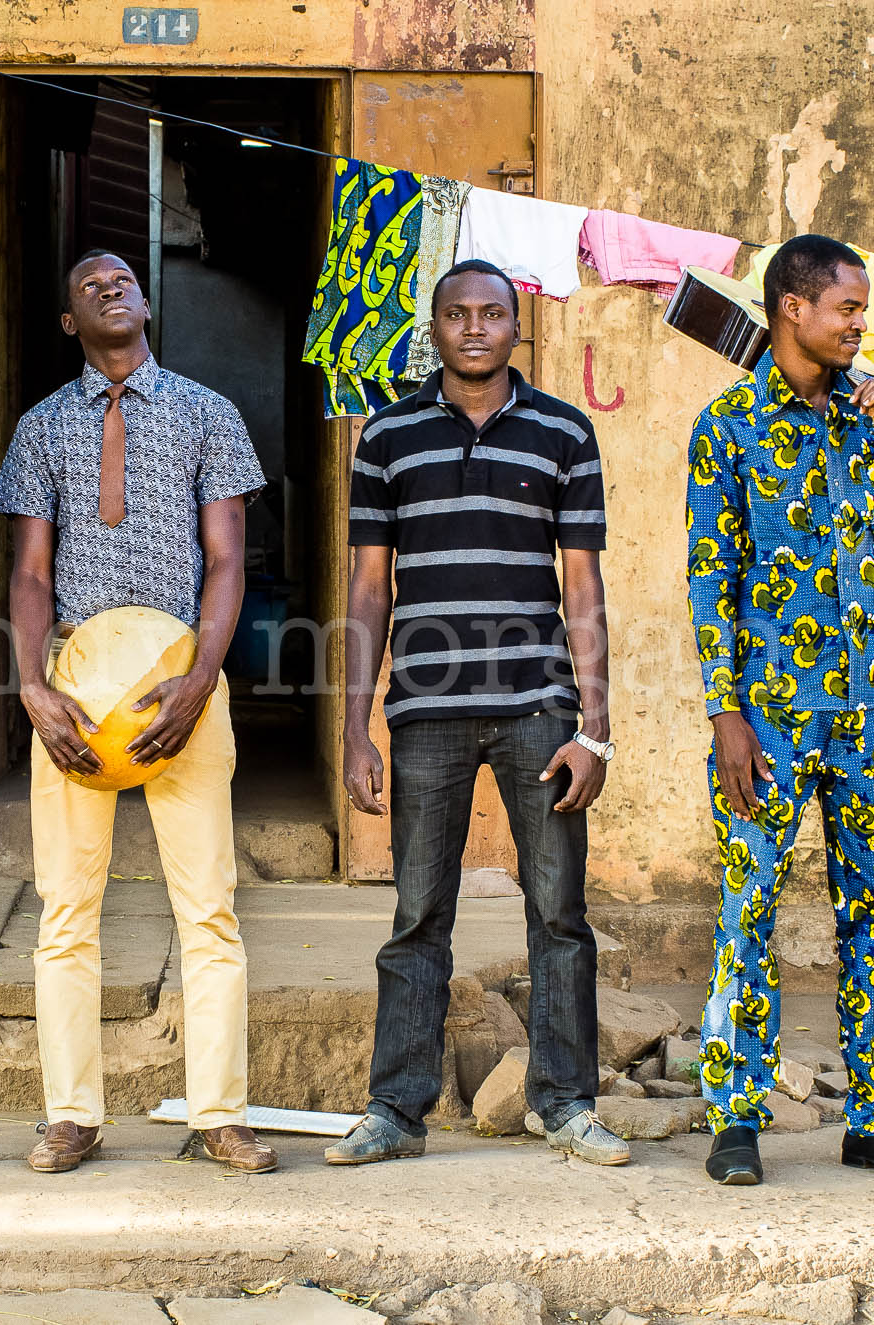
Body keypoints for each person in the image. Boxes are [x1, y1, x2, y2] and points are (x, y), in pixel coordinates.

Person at [327, 258, 627, 1168]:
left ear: (513, 327)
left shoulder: (564, 434)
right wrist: (354, 723)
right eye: (456, 314)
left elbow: (584, 588)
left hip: (539, 708)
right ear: (436, 327)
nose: (473, 328)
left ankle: (566, 1101)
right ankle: (396, 1109)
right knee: (419, 912)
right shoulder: (387, 437)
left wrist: (595, 726)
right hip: (426, 709)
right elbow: (369, 587)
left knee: (559, 911)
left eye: (491, 313)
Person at [0, 250, 274, 1175]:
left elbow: (227, 562)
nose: (110, 287)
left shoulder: (209, 414)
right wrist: (33, 686)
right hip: (73, 686)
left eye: (123, 278)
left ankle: (219, 1113)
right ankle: (71, 1114)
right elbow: (31, 572)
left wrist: (198, 681)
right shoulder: (40, 429)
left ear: (146, 300)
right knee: (66, 909)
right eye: (87, 285)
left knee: (210, 906)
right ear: (70, 322)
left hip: (179, 687)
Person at [685, 233, 874, 1185]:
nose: (860, 325)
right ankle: (736, 1120)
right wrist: (725, 718)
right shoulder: (727, 428)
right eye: (847, 308)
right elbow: (709, 577)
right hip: (767, 716)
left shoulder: (866, 417)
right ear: (792, 308)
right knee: (749, 908)